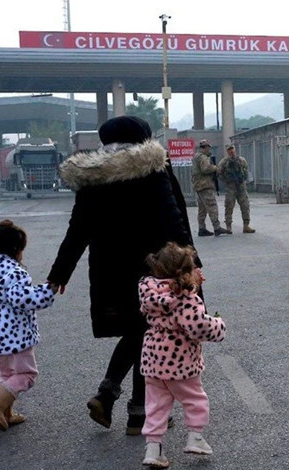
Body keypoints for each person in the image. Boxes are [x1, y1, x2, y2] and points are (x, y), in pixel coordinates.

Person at [47, 116, 199, 436]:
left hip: (109, 271)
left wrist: (60, 272)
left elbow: (78, 230)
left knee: (138, 332)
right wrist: (190, 263)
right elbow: (173, 219)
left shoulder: (93, 177)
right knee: (148, 334)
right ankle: (132, 410)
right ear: (143, 138)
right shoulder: (153, 169)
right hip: (153, 269)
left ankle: (112, 398)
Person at [138, 242, 226, 468]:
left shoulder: (150, 293)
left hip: (153, 360)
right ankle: (195, 437)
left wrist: (192, 284)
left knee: (156, 405)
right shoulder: (185, 298)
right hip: (181, 362)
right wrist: (218, 325)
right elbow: (197, 327)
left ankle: (153, 448)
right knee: (195, 399)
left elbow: (170, 292)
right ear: (184, 271)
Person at [0, 220, 56, 431]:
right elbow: (23, 299)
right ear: (14, 250)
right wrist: (48, 290)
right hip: (13, 335)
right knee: (26, 375)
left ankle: (5, 413)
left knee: (7, 375)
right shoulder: (13, 272)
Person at [217, 143, 255, 234]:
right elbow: (219, 173)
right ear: (227, 151)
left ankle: (246, 226)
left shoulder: (241, 160)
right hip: (231, 187)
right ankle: (228, 226)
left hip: (241, 186)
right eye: (229, 149)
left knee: (245, 205)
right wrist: (227, 180)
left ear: (235, 149)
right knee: (229, 206)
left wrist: (244, 179)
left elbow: (246, 170)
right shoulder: (224, 162)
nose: (231, 151)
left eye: (232, 149)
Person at [192, 139, 226, 237]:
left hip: (199, 186)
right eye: (208, 147)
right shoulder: (203, 157)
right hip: (205, 185)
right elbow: (206, 169)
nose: (209, 149)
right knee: (212, 206)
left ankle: (201, 229)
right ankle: (217, 227)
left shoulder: (196, 156)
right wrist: (215, 167)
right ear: (206, 147)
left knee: (202, 209)